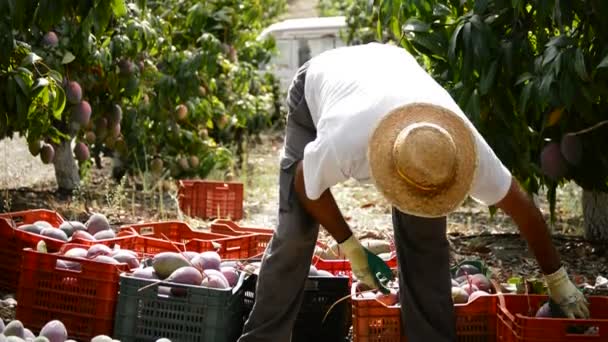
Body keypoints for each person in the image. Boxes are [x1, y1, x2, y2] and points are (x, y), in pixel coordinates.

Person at [237, 42, 589, 342]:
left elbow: (524, 209)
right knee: (295, 232)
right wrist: (351, 247)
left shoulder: (461, 150)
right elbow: (306, 185)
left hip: (393, 73)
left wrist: (558, 281)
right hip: (320, 86)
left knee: (425, 241)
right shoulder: (348, 141)